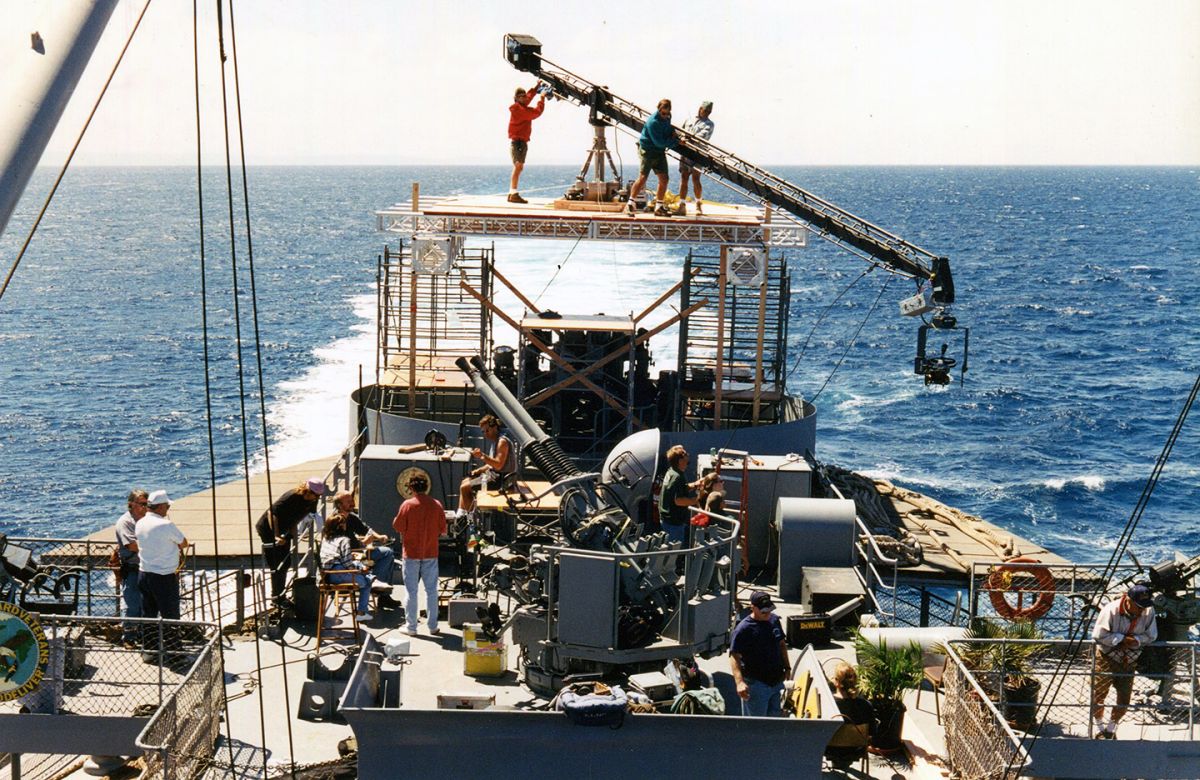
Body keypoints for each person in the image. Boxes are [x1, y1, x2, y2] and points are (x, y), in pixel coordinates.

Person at [1090, 583, 1157, 738]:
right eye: (1139, 606)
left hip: (1129, 661)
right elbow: (1099, 635)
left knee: (1124, 699)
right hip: (1107, 657)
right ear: (1128, 600)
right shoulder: (1110, 611)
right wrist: (1121, 639)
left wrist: (1135, 641)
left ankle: (1111, 729)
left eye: (1144, 607)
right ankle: (1099, 727)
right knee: (1098, 694)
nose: (1141, 611)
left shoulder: (1148, 611)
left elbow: (1151, 636)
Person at [135, 490, 189, 665]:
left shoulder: (140, 523)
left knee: (148, 614)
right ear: (160, 507)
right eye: (167, 505)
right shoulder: (166, 525)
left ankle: (150, 651)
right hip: (164, 576)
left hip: (144, 574)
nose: (168, 509)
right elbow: (184, 542)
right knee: (170, 616)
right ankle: (175, 654)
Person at [255, 477, 325, 607]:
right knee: (276, 564)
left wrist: (293, 533)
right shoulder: (292, 496)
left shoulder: (313, 500)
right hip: (269, 529)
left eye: (318, 496)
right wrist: (276, 535)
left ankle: (280, 596)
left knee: (285, 562)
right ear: (307, 491)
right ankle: (276, 598)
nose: (316, 499)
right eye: (314, 495)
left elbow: (299, 516)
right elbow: (272, 513)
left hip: (285, 530)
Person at [392, 473, 447, 636]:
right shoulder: (436, 504)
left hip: (411, 553)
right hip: (430, 552)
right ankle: (433, 626)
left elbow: (398, 526)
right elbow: (443, 530)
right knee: (432, 591)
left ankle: (411, 627)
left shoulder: (407, 505)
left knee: (411, 591)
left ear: (411, 488)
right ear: (426, 487)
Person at [332, 490, 398, 609]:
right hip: (347, 558)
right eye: (348, 502)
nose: (352, 503)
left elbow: (366, 530)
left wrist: (379, 537)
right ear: (339, 505)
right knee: (387, 554)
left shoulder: (351, 517)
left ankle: (377, 587)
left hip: (358, 552)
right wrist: (363, 544)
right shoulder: (335, 521)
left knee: (388, 553)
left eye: (352, 500)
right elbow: (339, 548)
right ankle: (378, 589)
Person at [729, 590, 790, 716]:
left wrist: (787, 667)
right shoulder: (744, 629)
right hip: (757, 685)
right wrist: (739, 682)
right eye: (764, 611)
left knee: (774, 720)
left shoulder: (774, 621)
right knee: (756, 725)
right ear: (753, 608)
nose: (767, 613)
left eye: (769, 610)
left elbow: (781, 645)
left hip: (776, 682)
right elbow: (734, 656)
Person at [626, 99, 680, 217]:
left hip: (659, 152)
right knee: (643, 178)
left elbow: (667, 128)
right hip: (648, 151)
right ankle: (630, 203)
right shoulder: (653, 122)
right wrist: (676, 142)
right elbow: (659, 142)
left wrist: (673, 133)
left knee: (664, 179)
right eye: (663, 113)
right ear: (659, 110)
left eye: (667, 113)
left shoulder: (667, 117)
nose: (665, 116)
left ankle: (659, 207)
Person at [319, 513, 375, 622]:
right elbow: (348, 565)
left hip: (326, 575)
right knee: (367, 581)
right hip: (338, 573)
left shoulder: (326, 539)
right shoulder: (344, 540)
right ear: (340, 526)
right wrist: (360, 570)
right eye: (344, 523)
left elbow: (338, 556)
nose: (346, 525)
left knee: (361, 567)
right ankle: (361, 613)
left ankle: (370, 576)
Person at [458, 414, 514, 515]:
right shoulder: (495, 441)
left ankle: (468, 518)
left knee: (465, 488)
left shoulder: (502, 442)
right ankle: (460, 514)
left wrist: (482, 455)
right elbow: (491, 464)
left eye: (487, 430)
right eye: (483, 432)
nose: (485, 434)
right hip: (495, 475)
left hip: (502, 480)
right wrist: (478, 471)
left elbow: (498, 465)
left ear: (495, 428)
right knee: (465, 481)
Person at [114, 488, 149, 647]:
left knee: (147, 604)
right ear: (131, 504)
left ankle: (144, 634)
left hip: (147, 567)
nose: (145, 507)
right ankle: (129, 637)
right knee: (132, 604)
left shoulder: (146, 520)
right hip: (133, 568)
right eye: (142, 504)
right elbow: (132, 546)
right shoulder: (125, 522)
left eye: (147, 504)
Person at [825, 661, 876, 764]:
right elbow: (872, 732)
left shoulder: (827, 703)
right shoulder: (866, 705)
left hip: (829, 749)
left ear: (836, 682)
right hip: (856, 750)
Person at [507, 82, 547, 204]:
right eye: (522, 96)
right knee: (518, 166)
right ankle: (513, 194)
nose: (525, 98)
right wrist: (542, 98)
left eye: (524, 96)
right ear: (517, 99)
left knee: (519, 167)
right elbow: (536, 113)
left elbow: (529, 96)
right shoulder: (519, 110)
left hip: (521, 141)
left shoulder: (521, 105)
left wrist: (536, 87)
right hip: (518, 142)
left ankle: (511, 193)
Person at [658, 444, 703, 545]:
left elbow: (679, 489)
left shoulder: (671, 472)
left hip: (667, 519)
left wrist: (695, 485)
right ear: (680, 461)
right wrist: (696, 500)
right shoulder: (678, 477)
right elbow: (678, 500)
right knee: (674, 552)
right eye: (685, 454)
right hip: (673, 522)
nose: (688, 454)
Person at [677, 101, 714, 213]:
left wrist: (688, 138)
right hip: (685, 153)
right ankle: (682, 205)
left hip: (698, 154)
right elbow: (679, 131)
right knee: (684, 178)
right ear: (700, 109)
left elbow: (703, 136)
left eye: (709, 111)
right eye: (705, 110)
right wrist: (682, 137)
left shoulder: (709, 124)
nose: (707, 113)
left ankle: (698, 204)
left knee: (696, 178)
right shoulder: (689, 120)